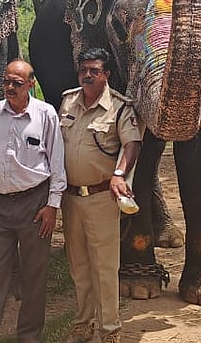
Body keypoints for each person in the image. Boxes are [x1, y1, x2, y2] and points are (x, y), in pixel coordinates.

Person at [0, 60, 66, 343]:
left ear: (30, 84)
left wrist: (52, 206)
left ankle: (29, 337)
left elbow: (57, 163)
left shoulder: (45, 115)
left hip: (34, 205)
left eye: (17, 83)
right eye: (7, 82)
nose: (9, 87)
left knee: (34, 276)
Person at [60, 48, 142, 343]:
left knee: (105, 266)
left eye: (95, 70)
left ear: (106, 74)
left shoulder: (119, 107)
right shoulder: (68, 101)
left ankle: (110, 329)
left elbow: (132, 143)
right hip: (70, 199)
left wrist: (119, 174)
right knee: (78, 265)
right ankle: (83, 323)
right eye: (84, 70)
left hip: (101, 197)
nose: (88, 75)